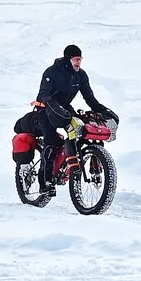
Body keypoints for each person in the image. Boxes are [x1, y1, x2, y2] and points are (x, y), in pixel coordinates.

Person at [21, 44, 114, 182]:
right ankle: (44, 180)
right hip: (45, 109)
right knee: (50, 139)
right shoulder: (51, 72)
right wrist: (52, 105)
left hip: (64, 108)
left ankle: (83, 163)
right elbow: (43, 95)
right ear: (67, 59)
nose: (78, 63)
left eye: (80, 59)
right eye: (76, 59)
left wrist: (105, 111)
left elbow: (90, 99)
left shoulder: (81, 75)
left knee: (82, 130)